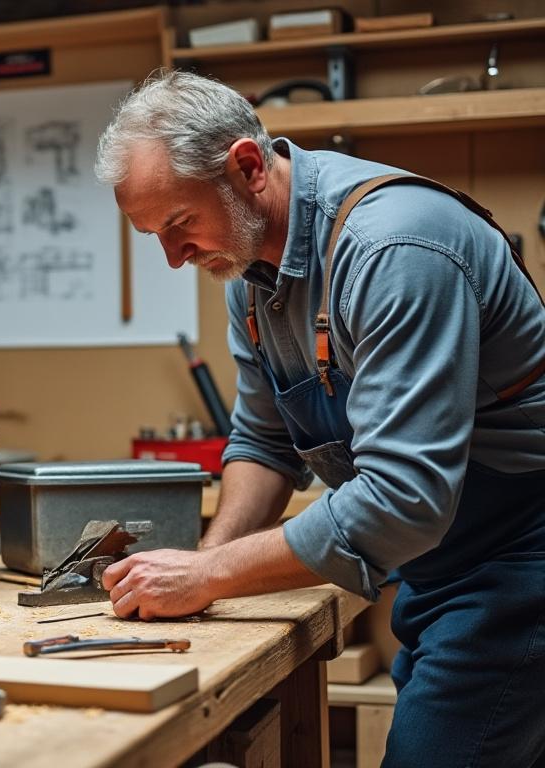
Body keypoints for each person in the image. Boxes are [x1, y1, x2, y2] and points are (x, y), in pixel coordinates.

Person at [93, 69, 545, 766]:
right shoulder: (249, 277)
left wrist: (209, 578)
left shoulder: (393, 250)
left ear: (246, 166)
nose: (174, 257)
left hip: (519, 565)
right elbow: (263, 441)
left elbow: (404, 497)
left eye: (180, 224)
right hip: (439, 568)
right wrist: (206, 563)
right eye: (153, 234)